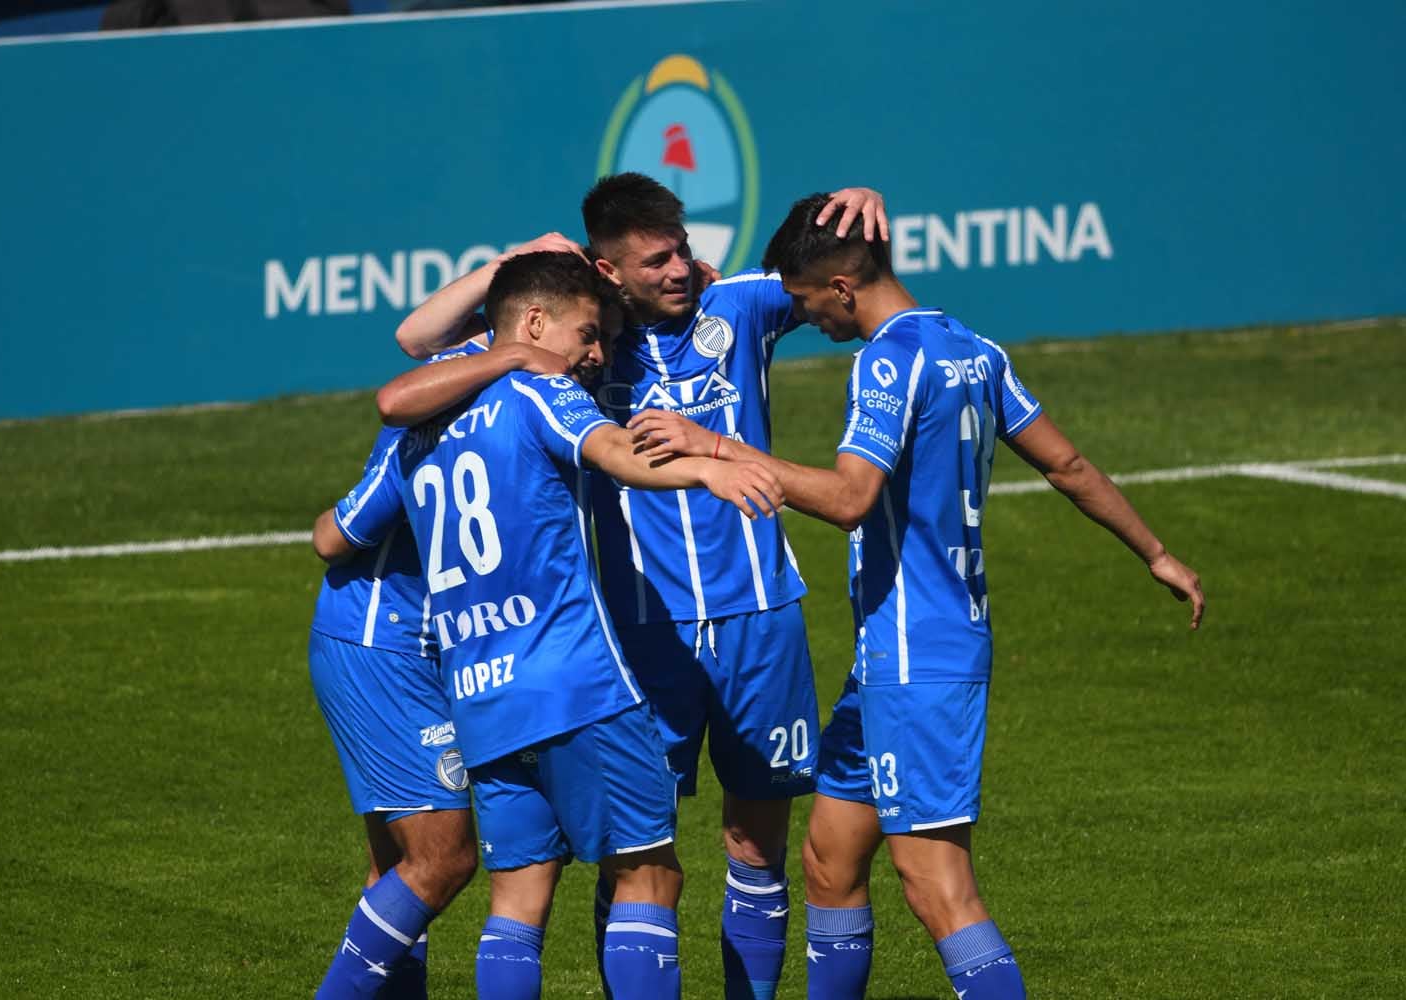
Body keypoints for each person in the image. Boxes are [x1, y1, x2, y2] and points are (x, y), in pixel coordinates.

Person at [629, 192, 1206, 999]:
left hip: (918, 656)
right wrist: (1156, 551)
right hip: (891, 662)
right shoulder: (973, 347)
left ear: (838, 287)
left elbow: (848, 498)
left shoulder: (887, 361)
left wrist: (715, 444)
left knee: (936, 885)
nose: (805, 321)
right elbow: (1068, 465)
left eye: (802, 302)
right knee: (830, 857)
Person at [388, 177, 887, 1000]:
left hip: (759, 615)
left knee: (756, 841)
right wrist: (510, 263)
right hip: (637, 634)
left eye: (682, 249)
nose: (680, 270)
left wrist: (863, 202)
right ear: (608, 272)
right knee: (629, 857)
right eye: (655, 260)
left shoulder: (744, 309)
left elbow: (849, 287)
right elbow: (418, 339)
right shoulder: (585, 340)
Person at [306, 361, 491, 998]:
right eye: (589, 333)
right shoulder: (439, 410)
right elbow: (332, 536)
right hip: (384, 646)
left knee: (397, 867)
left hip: (434, 648)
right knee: (443, 858)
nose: (599, 353)